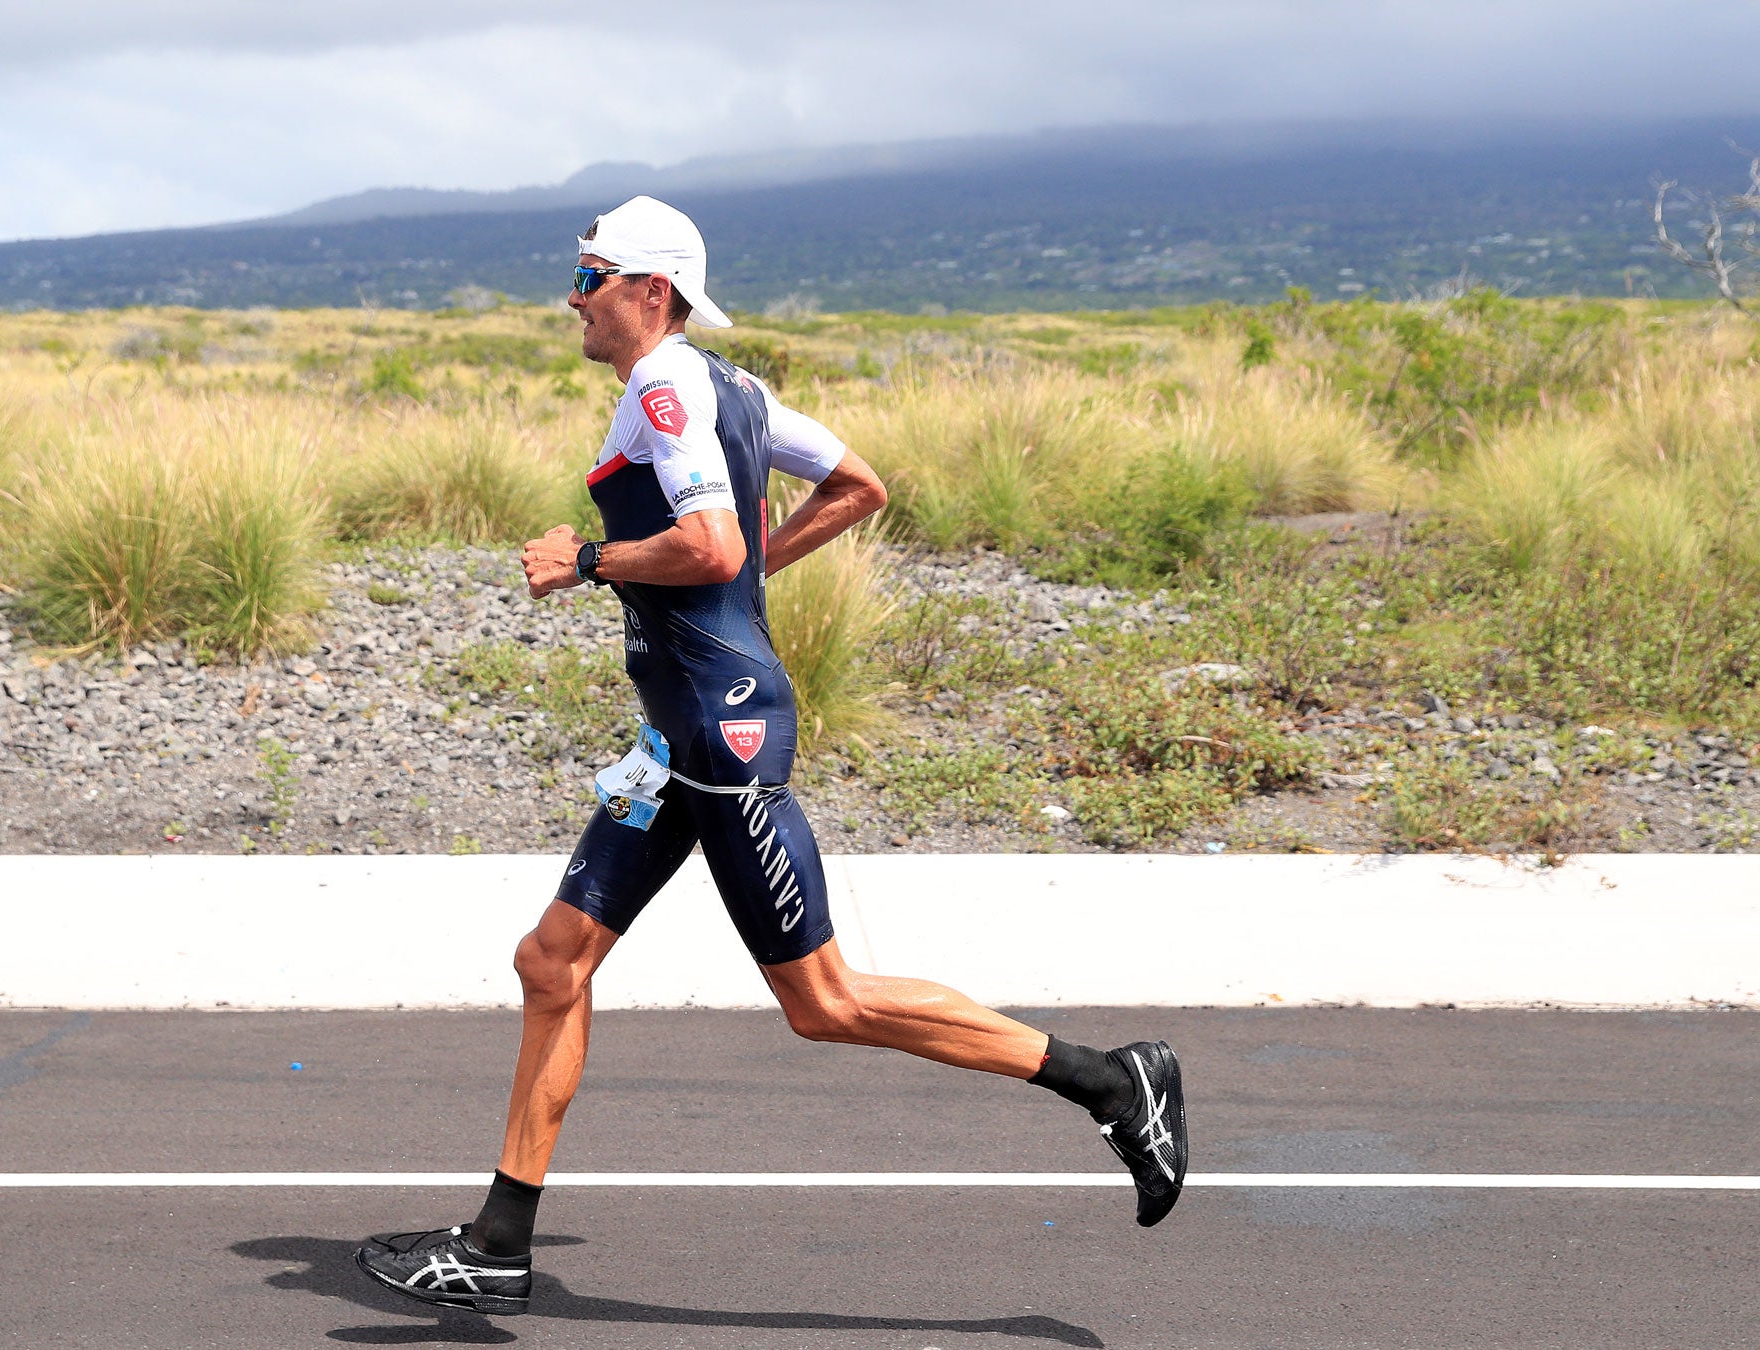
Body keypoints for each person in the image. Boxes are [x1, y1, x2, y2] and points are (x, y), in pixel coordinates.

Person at [355, 197, 1187, 1317]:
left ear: (650, 290)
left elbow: (711, 544)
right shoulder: (731, 387)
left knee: (825, 1003)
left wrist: (589, 560)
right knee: (553, 963)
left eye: (589, 276)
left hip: (723, 737)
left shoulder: (665, 385)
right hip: (679, 740)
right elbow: (859, 488)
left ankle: (1114, 1083)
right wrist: (744, 581)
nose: (572, 297)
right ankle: (500, 1244)